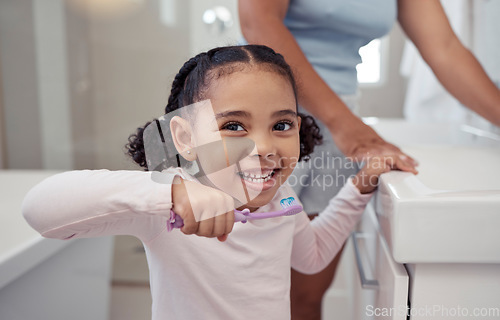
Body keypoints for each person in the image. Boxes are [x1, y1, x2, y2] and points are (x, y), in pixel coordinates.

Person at [22, 45, 416, 320]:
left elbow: (310, 257)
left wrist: (359, 187)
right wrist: (170, 194)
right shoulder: (169, 203)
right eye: (233, 126)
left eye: (281, 125)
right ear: (185, 138)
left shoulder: (281, 197)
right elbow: (40, 208)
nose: (263, 146)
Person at [238, 1, 500, 319]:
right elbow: (258, 22)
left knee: (307, 293)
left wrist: (341, 124)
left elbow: (445, 49)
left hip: (336, 117)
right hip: (263, 116)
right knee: (250, 289)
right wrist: (343, 124)